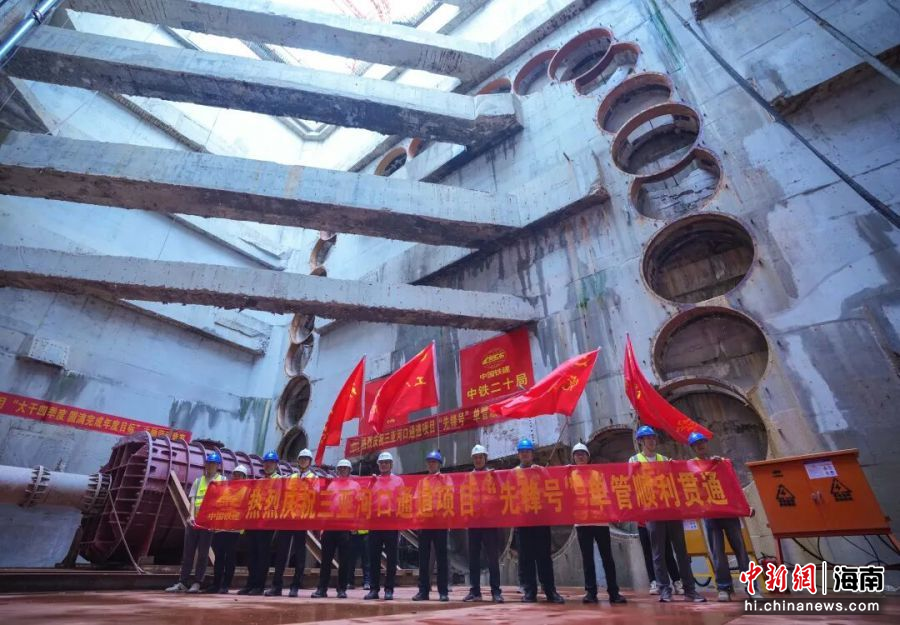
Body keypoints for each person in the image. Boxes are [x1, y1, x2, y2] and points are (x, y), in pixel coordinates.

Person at [629, 426, 705, 603]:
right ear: (640, 441)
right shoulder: (634, 460)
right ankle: (664, 590)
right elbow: (630, 484)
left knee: (681, 551)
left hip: (671, 509)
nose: (651, 441)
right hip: (652, 510)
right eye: (647, 438)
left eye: (653, 438)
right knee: (658, 553)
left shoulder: (664, 459)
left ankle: (690, 590)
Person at [688, 431, 758, 601]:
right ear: (693, 448)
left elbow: (733, 486)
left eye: (702, 442)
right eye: (697, 444)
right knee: (717, 552)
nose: (700, 446)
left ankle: (752, 588)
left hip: (728, 512)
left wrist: (744, 506)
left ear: (706, 444)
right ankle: (724, 587)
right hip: (710, 514)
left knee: (740, 550)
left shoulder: (720, 463)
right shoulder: (691, 466)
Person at [570, 443, 627, 605]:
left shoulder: (597, 474)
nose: (580, 456)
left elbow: (608, 494)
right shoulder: (569, 475)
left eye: (583, 453)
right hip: (582, 523)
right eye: (577, 454)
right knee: (587, 559)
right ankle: (591, 592)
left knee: (607, 558)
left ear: (588, 457)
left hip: (600, 521)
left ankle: (614, 592)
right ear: (573, 457)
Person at [514, 438, 565, 604]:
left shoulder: (540, 470)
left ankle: (550, 591)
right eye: (522, 452)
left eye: (527, 452)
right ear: (519, 455)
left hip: (541, 520)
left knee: (544, 557)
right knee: (526, 558)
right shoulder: (513, 473)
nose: (525, 455)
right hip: (523, 521)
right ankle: (530, 592)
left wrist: (543, 473)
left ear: (532, 454)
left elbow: (552, 486)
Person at [166, 452, 225, 593]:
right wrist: (191, 516)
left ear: (217, 466)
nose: (210, 466)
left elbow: (223, 502)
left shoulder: (222, 481)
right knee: (188, 553)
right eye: (208, 463)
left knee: (203, 554)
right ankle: (182, 582)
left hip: (208, 524)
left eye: (213, 464)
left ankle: (197, 582)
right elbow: (193, 499)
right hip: (194, 522)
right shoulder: (198, 481)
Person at [265, 448, 315, 597]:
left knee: (299, 553)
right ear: (298, 461)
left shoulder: (314, 478)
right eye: (301, 459)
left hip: (301, 520)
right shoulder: (291, 477)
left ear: (310, 462)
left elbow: (315, 496)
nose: (303, 461)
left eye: (306, 459)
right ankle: (276, 586)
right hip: (287, 518)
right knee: (281, 552)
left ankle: (295, 586)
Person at [464, 444, 504, 604]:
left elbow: (502, 493)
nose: (478, 460)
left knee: (492, 558)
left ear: (485, 458)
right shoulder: (468, 477)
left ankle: (496, 591)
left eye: (480, 457)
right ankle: (475, 591)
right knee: (473, 557)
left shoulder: (493, 475)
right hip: (474, 522)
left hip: (489, 522)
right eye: (475, 458)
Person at [238, 450, 281, 596]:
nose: (268, 465)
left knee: (263, 555)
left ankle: (259, 585)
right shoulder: (259, 481)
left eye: (271, 463)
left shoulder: (280, 481)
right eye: (266, 462)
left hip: (267, 523)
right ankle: (250, 584)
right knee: (252, 554)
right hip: (254, 521)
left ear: (276, 464)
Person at [312, 458, 356, 599]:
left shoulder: (355, 485)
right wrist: (322, 526)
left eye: (345, 468)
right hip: (330, 525)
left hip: (345, 526)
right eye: (340, 468)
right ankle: (322, 588)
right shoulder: (331, 484)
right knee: (326, 560)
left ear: (349, 470)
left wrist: (355, 525)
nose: (343, 470)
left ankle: (342, 589)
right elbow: (324, 504)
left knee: (344, 560)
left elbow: (359, 505)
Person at [412, 450, 450, 602]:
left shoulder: (445, 480)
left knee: (442, 558)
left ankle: (443, 591)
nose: (431, 464)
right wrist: (417, 522)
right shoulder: (422, 482)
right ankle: (423, 591)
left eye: (434, 462)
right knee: (424, 559)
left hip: (440, 523)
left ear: (439, 464)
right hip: (425, 523)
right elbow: (416, 501)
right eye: (429, 462)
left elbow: (451, 497)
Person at [205, 463, 248, 594]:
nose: (237, 476)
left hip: (234, 530)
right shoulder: (225, 489)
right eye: (235, 474)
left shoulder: (246, 491)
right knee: (219, 557)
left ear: (244, 477)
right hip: (220, 528)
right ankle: (216, 584)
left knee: (230, 557)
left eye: (240, 475)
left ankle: (225, 585)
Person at [365, 451, 402, 601]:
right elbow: (366, 499)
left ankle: (389, 589)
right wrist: (370, 484)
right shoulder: (374, 481)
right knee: (373, 557)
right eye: (382, 463)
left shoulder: (398, 481)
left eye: (386, 462)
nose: (384, 465)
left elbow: (402, 500)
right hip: (375, 523)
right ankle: (374, 589)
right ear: (378, 465)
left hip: (391, 523)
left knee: (392, 558)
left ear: (391, 465)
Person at [638, 523, 683, 595]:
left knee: (667, 552)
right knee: (648, 554)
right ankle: (654, 582)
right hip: (643, 525)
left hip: (660, 524)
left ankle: (676, 581)